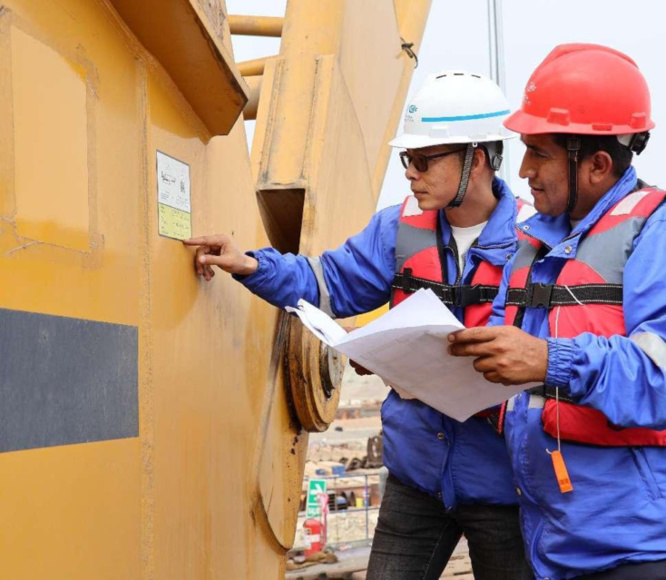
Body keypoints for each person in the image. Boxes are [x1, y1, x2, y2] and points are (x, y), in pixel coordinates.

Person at [185, 71, 533, 580]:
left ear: (476, 158)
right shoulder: (396, 229)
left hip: (505, 487)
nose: (410, 173)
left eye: (423, 160)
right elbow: (326, 282)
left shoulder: (534, 242)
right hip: (416, 479)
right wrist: (253, 266)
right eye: (405, 160)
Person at [448, 44, 666, 579]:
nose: (525, 171)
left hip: (651, 549)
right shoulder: (534, 243)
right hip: (562, 545)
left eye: (539, 152)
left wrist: (549, 361)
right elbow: (510, 360)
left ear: (598, 164)